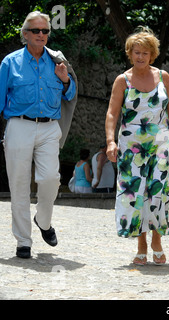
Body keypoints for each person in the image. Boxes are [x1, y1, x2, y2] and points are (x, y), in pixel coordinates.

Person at [0, 11, 77, 259]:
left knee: (51, 179)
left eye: (45, 31)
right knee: (19, 185)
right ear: (25, 34)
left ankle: (43, 221)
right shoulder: (10, 63)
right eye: (36, 31)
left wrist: (66, 81)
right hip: (19, 125)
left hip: (48, 127)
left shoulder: (57, 61)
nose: (42, 35)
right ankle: (23, 240)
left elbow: (70, 94)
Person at [105, 27, 169, 266]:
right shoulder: (122, 80)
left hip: (160, 144)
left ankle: (157, 241)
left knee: (158, 192)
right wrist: (110, 141)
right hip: (131, 147)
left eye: (145, 53)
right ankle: (141, 245)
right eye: (136, 52)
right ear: (130, 53)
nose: (140, 57)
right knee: (135, 195)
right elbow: (111, 114)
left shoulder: (163, 77)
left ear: (152, 55)